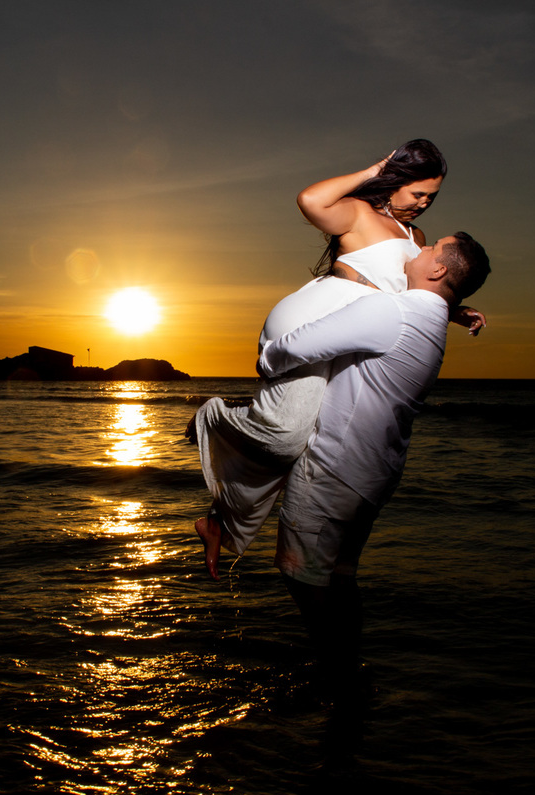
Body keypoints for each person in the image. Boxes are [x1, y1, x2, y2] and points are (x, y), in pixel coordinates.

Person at [193, 140, 483, 579]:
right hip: (311, 320)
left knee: (301, 438)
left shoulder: (418, 240)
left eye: (432, 197)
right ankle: (213, 420)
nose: (424, 204)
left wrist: (454, 311)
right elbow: (310, 200)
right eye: (417, 193)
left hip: (349, 334)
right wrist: (377, 168)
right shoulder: (359, 214)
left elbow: (408, 291)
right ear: (395, 181)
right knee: (287, 434)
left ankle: (219, 521)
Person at [257, 232, 491, 687]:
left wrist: (267, 360)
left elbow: (297, 346)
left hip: (333, 470)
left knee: (301, 574)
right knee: (342, 575)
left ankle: (335, 673)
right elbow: (413, 300)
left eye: (430, 248)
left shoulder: (391, 312)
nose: (417, 249)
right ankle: (350, 665)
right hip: (376, 475)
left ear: (438, 270)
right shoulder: (431, 320)